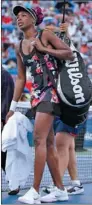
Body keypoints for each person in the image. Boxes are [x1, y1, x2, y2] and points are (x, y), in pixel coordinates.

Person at [6, 5, 74, 204]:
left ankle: (34, 191)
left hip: (51, 94)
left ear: (34, 19)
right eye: (17, 16)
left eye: (24, 15)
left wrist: (44, 49)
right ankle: (61, 190)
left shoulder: (45, 35)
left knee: (38, 140)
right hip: (37, 97)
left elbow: (68, 53)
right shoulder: (19, 46)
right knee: (49, 143)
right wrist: (12, 108)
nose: (19, 18)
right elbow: (20, 79)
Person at [42, 23, 85, 198]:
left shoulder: (68, 55)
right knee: (68, 146)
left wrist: (66, 34)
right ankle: (75, 183)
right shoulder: (53, 57)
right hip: (61, 105)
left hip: (73, 106)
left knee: (61, 144)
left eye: (52, 35)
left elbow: (70, 50)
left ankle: (57, 186)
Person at [1, 68, 20, 195]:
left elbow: (6, 100)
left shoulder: (4, 75)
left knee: (4, 154)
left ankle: (14, 183)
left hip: (3, 121)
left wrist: (2, 119)